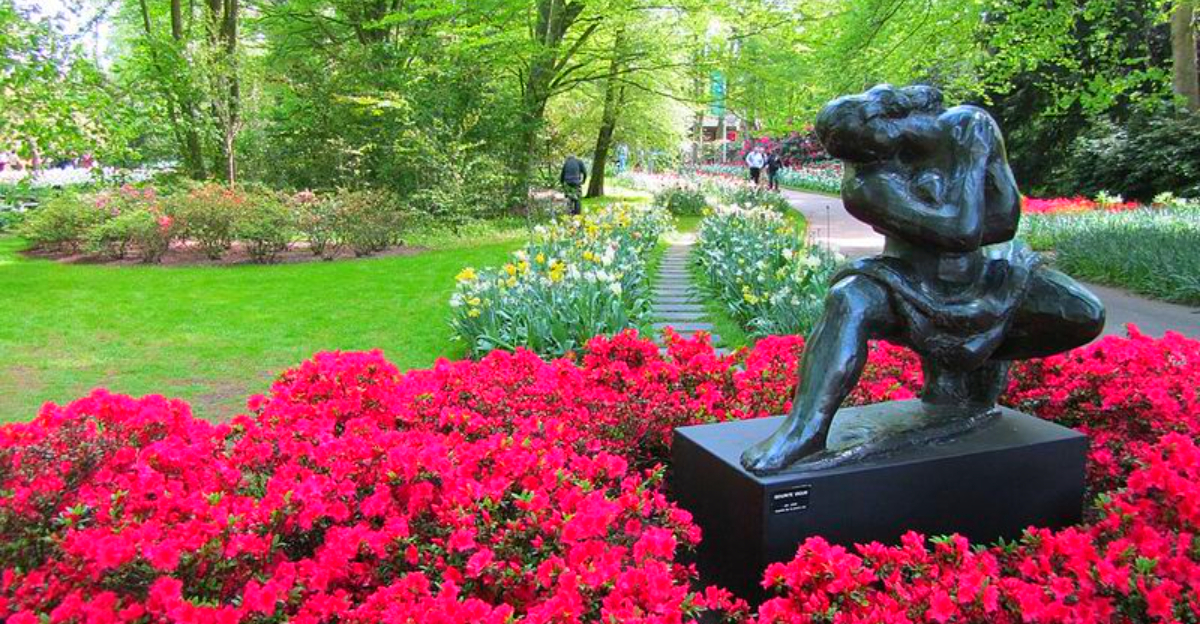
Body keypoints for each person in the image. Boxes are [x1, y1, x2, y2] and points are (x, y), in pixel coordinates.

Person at [740, 84, 1106, 474]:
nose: (859, 161)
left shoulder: (970, 125)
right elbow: (960, 232)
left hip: (983, 274)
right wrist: (968, 158)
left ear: (882, 126)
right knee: (849, 299)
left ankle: (969, 367)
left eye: (859, 148)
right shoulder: (864, 184)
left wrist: (960, 173)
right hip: (906, 281)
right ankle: (805, 430)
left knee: (1083, 313)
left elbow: (1005, 220)